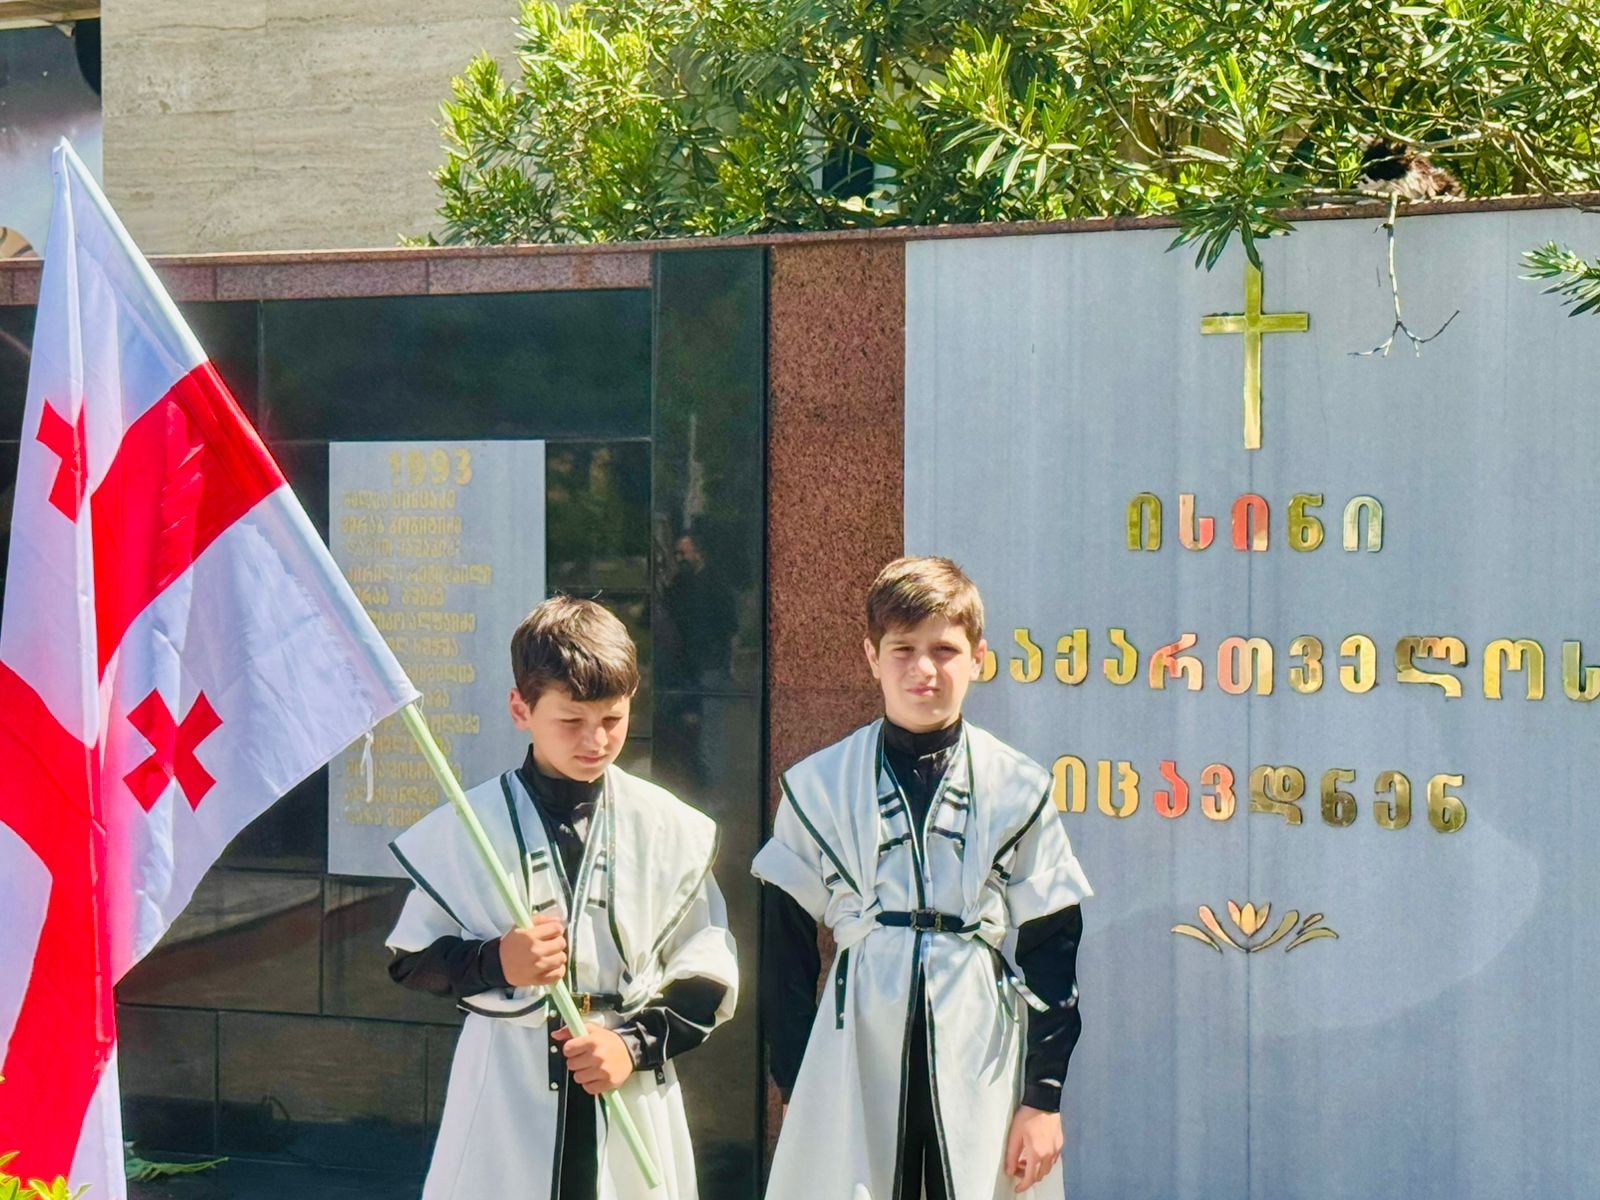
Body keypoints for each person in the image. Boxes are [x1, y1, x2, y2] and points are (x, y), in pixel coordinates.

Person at [755, 556, 1091, 1199]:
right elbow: (785, 956)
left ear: (978, 658)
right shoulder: (818, 786)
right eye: (903, 649)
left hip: (979, 1042)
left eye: (945, 649)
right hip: (854, 1045)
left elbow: (1053, 951)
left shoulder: (1019, 786)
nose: (924, 669)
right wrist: (797, 1080)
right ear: (871, 657)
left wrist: (1043, 1096)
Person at [386, 596, 738, 1200]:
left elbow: (706, 971)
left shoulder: (668, 828)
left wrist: (632, 1045)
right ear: (520, 708)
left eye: (613, 718)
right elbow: (410, 959)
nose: (595, 740)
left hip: (626, 1080)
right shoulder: (471, 827)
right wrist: (496, 961)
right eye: (571, 721)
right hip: (506, 1087)